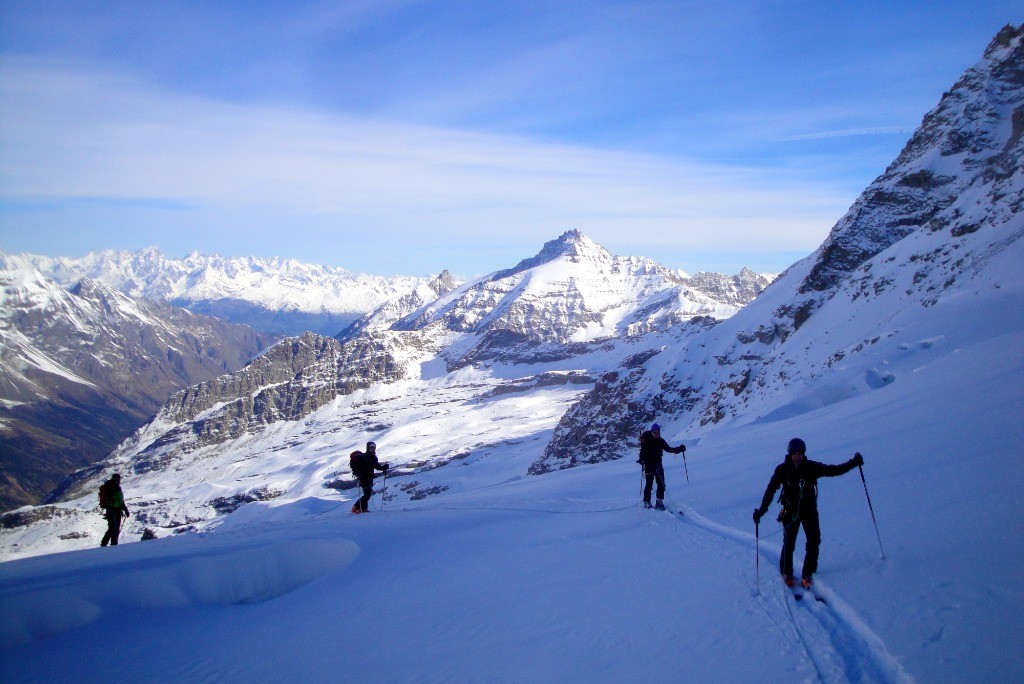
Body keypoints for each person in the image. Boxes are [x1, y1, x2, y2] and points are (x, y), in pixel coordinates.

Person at [752, 438, 863, 588]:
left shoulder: (811, 467)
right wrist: (761, 511)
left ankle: (808, 573)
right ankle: (787, 572)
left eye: (800, 454)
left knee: (814, 540)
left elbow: (834, 470)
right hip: (790, 512)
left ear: (804, 454)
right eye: (795, 454)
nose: (797, 457)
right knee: (789, 543)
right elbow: (771, 490)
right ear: (790, 454)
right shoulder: (782, 470)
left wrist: (853, 463)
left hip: (809, 510)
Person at [637, 423, 686, 510]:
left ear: (659, 432)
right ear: (652, 432)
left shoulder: (660, 441)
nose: (656, 434)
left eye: (657, 432)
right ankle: (646, 501)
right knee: (649, 484)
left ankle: (659, 501)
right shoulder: (647, 440)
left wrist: (679, 449)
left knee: (661, 483)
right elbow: (643, 452)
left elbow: (669, 449)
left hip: (658, 465)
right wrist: (642, 460)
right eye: (654, 432)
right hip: (649, 466)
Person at [350, 441, 389, 514]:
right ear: (368, 448)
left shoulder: (372, 457)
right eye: (371, 447)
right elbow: (374, 466)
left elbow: (377, 466)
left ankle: (363, 509)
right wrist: (384, 467)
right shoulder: (365, 457)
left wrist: (384, 467)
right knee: (367, 495)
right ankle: (356, 507)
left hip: (368, 477)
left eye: (373, 447)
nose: (373, 449)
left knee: (366, 494)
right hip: (364, 478)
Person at [99, 473, 130, 546]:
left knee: (111, 528)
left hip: (109, 510)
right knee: (115, 528)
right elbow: (120, 500)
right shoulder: (116, 487)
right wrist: (125, 510)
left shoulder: (108, 486)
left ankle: (104, 544)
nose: (119, 480)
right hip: (116, 510)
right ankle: (113, 544)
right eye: (119, 479)